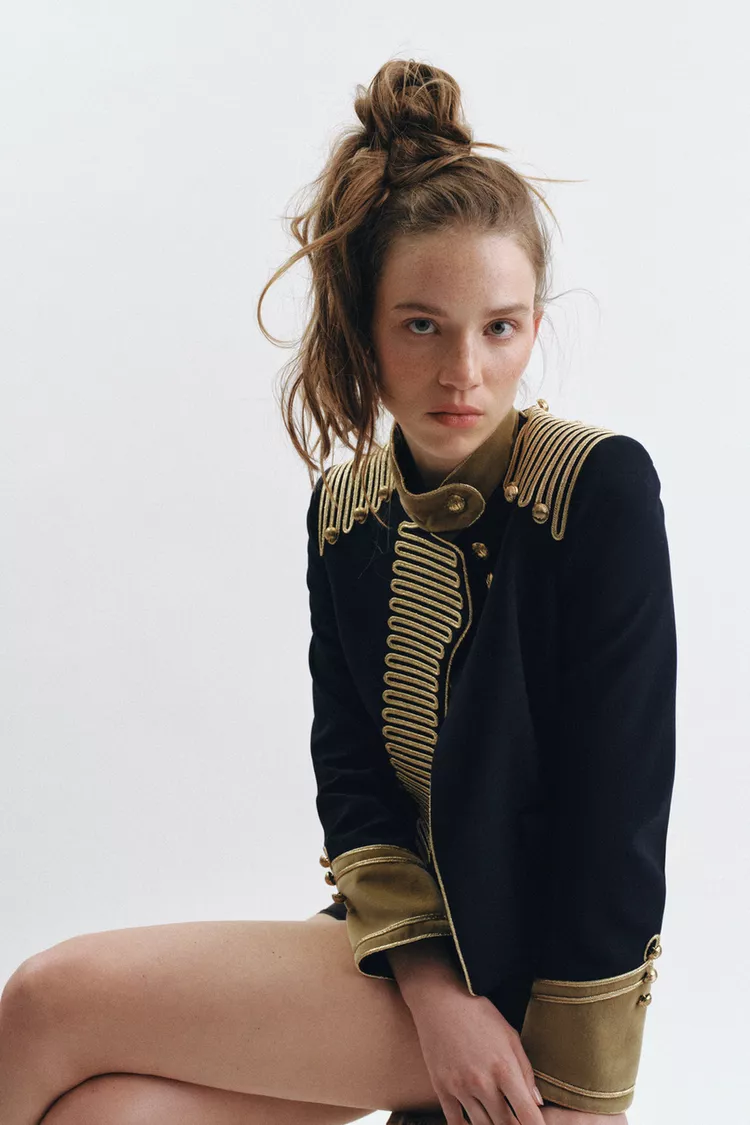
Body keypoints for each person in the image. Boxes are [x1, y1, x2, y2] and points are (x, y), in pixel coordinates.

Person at [0, 58, 676, 1125]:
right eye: (423, 325)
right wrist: (433, 995)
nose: (463, 370)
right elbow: (355, 778)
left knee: (44, 1001)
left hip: (532, 993)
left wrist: (584, 1095)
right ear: (366, 325)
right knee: (107, 1114)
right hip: (410, 964)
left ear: (534, 327)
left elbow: (620, 813)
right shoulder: (346, 513)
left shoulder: (594, 492)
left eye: (499, 326)